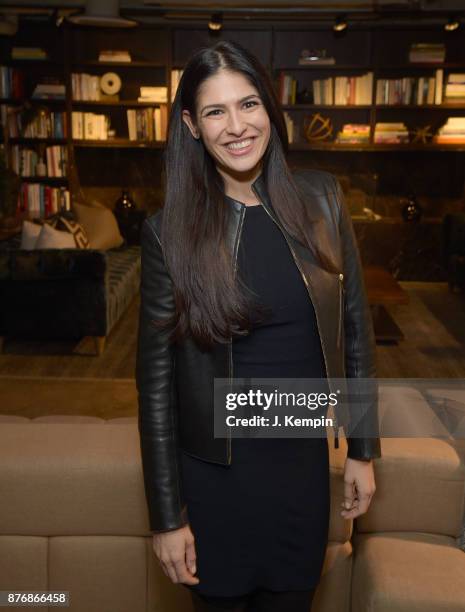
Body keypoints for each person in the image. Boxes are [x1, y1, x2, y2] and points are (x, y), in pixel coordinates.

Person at [135, 39, 381, 612]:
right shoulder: (166, 232)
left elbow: (354, 331)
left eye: (248, 104)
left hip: (300, 474)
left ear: (270, 109)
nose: (237, 126)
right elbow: (155, 388)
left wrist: (363, 450)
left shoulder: (323, 200)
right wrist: (166, 516)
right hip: (215, 484)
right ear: (192, 126)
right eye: (215, 111)